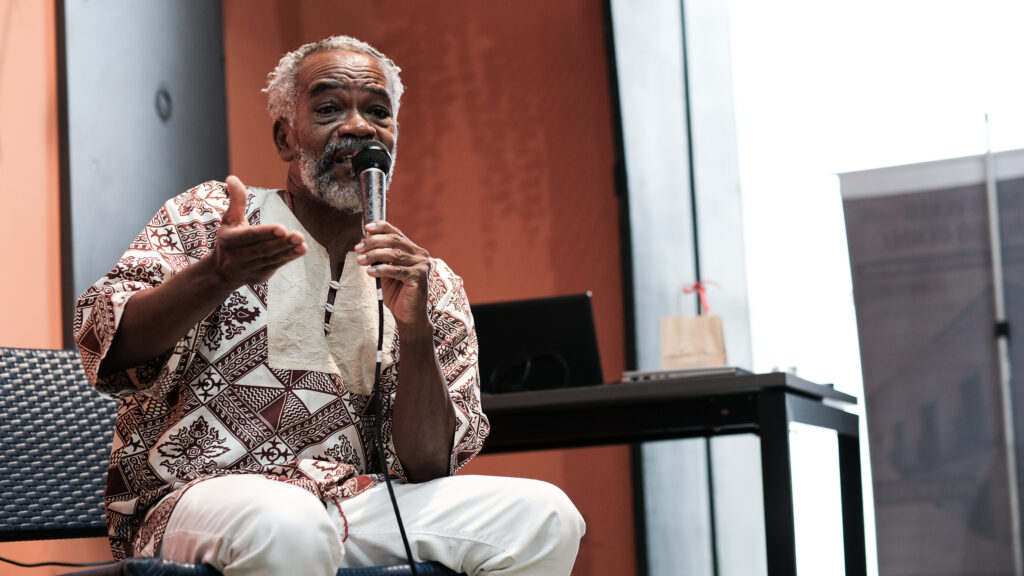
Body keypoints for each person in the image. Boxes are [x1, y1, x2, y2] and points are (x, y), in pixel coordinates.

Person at [74, 35, 584, 576]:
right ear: (285, 137)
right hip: (201, 498)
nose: (359, 127)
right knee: (289, 523)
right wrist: (216, 274)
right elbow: (109, 349)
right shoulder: (208, 217)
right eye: (328, 108)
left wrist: (414, 331)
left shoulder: (428, 281)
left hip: (356, 502)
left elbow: (430, 464)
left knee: (545, 516)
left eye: (378, 112)